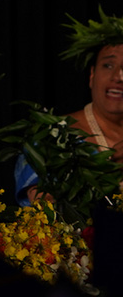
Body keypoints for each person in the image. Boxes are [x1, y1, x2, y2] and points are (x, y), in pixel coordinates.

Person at [15, 35, 123, 205]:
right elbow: (45, 215)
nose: (119, 77)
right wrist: (108, 171)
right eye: (108, 65)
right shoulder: (51, 137)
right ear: (92, 75)